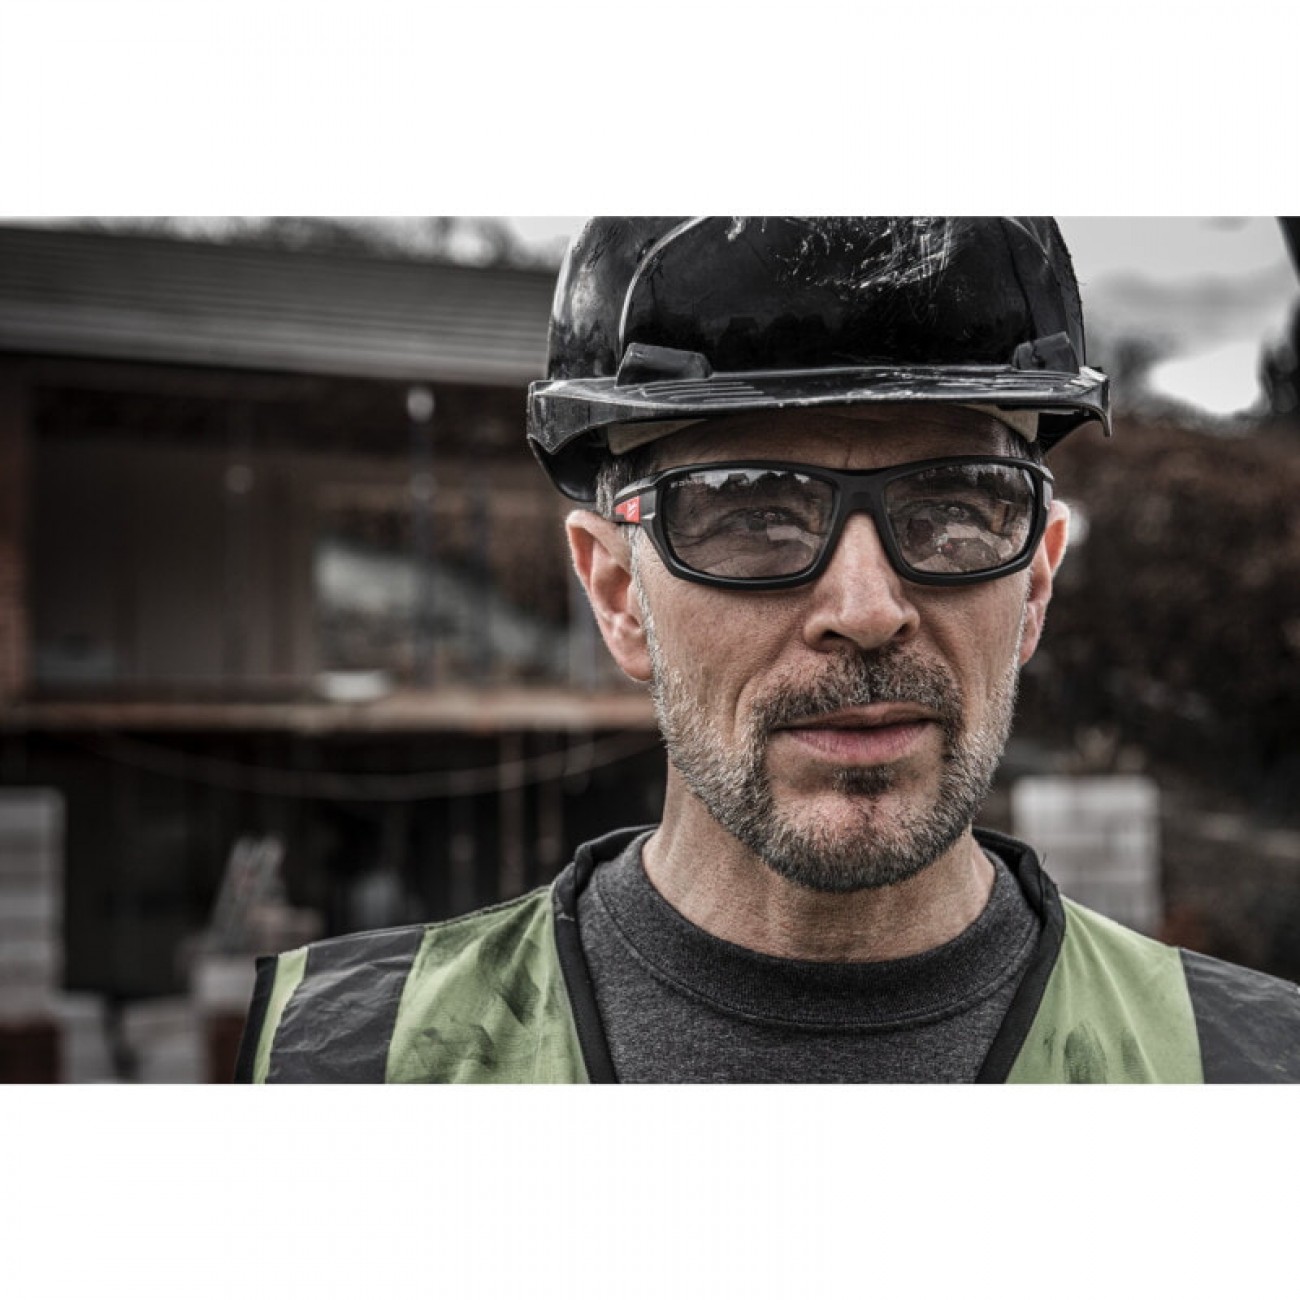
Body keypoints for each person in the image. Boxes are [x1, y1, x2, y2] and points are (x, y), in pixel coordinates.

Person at [237, 217, 1300, 1083]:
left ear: (1035, 584)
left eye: (952, 508)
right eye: (749, 511)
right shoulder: (351, 1065)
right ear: (617, 594)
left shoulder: (1249, 1070)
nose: (866, 608)